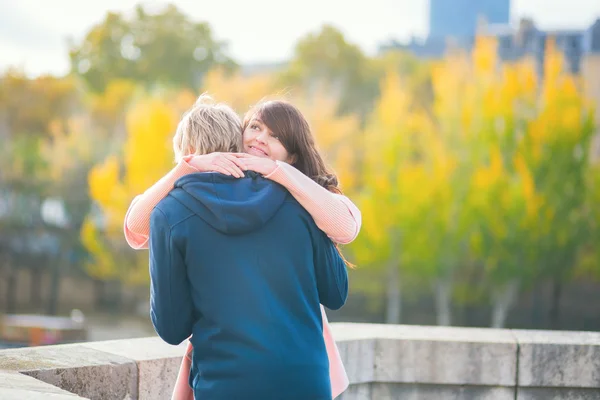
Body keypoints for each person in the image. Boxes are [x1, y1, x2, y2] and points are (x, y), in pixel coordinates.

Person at [124, 96, 360, 398]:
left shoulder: (170, 215)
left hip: (226, 385)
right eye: (256, 128)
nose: (261, 139)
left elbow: (172, 329)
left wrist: (184, 170)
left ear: (188, 153)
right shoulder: (303, 201)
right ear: (238, 142)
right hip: (305, 383)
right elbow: (336, 294)